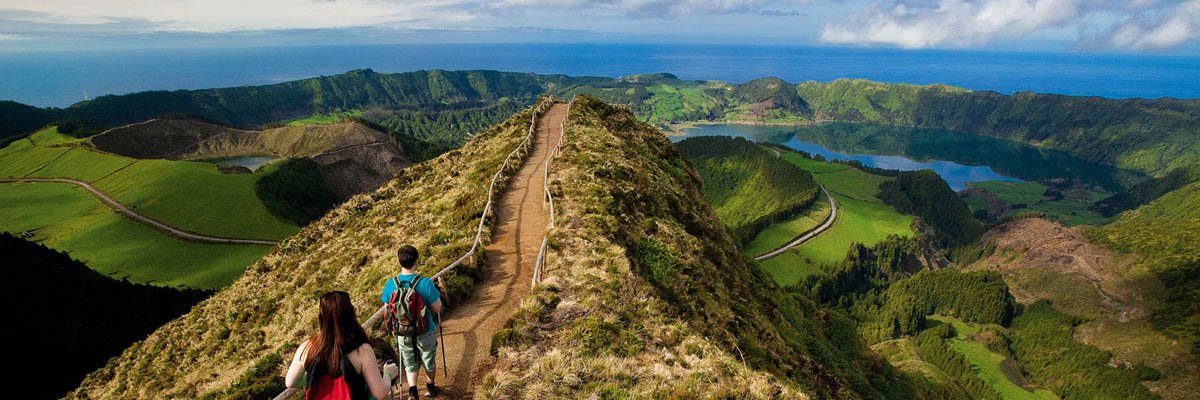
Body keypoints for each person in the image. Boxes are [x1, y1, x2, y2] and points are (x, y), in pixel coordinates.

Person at [285, 291, 399, 400]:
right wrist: (389, 373)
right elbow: (379, 393)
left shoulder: (307, 347)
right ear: (350, 314)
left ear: (321, 317)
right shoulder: (361, 350)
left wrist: (316, 378)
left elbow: (290, 382)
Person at [381, 245, 444, 399]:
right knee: (428, 360)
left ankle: (413, 392)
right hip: (425, 330)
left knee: (409, 363)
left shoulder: (391, 284)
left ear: (398, 261)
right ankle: (430, 387)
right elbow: (437, 308)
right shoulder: (425, 283)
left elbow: (387, 311)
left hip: (402, 332)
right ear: (417, 260)